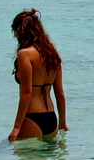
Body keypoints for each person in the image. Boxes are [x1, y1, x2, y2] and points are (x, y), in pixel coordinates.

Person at [9, 9, 67, 142]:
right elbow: (60, 93)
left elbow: (27, 93)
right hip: (51, 119)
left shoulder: (25, 54)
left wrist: (17, 127)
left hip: (32, 117)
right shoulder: (52, 54)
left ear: (21, 30)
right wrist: (62, 123)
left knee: (25, 159)